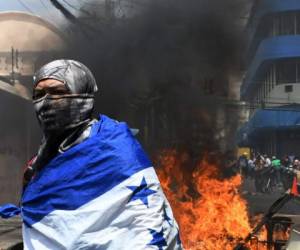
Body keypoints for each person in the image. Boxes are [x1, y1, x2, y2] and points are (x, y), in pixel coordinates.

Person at [0, 60, 182, 250]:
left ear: (83, 96)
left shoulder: (113, 148)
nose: (45, 102)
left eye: (57, 93)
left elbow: (144, 219)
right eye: (38, 95)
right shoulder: (39, 162)